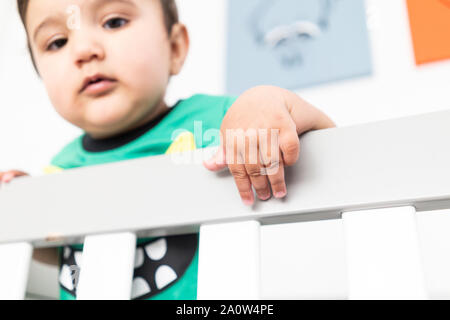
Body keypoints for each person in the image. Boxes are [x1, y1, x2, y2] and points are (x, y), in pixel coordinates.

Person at [0, 0, 335, 300]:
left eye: (114, 22)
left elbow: (337, 157)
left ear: (175, 47)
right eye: (57, 42)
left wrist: (269, 103)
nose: (85, 50)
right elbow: (60, 251)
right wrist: (25, 212)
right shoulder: (60, 170)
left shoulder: (223, 124)